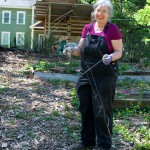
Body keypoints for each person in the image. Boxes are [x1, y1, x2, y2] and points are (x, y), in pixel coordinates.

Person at [64, 0, 122, 149]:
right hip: (86, 74)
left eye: (104, 11)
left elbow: (118, 52)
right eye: (98, 10)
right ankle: (86, 141)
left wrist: (110, 57)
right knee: (85, 109)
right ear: (94, 12)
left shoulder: (112, 30)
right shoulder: (88, 28)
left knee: (102, 111)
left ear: (109, 14)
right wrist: (71, 50)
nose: (100, 14)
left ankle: (104, 144)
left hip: (105, 75)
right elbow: (80, 50)